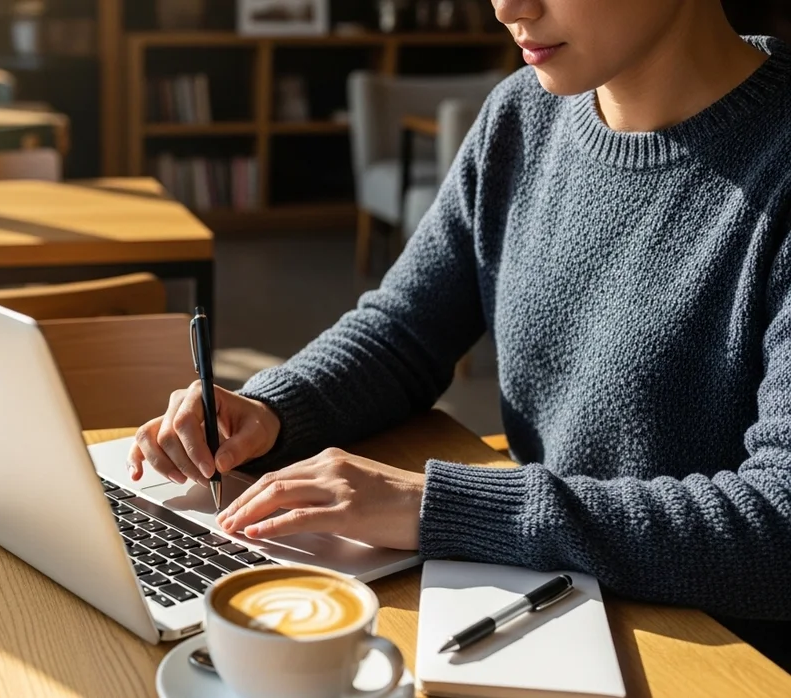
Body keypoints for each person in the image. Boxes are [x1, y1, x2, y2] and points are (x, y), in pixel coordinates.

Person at [129, 0, 791, 665]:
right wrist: (272, 409)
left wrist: (440, 505)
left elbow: (779, 526)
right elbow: (405, 330)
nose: (507, 6)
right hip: (559, 609)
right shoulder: (522, 116)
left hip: (724, 655)